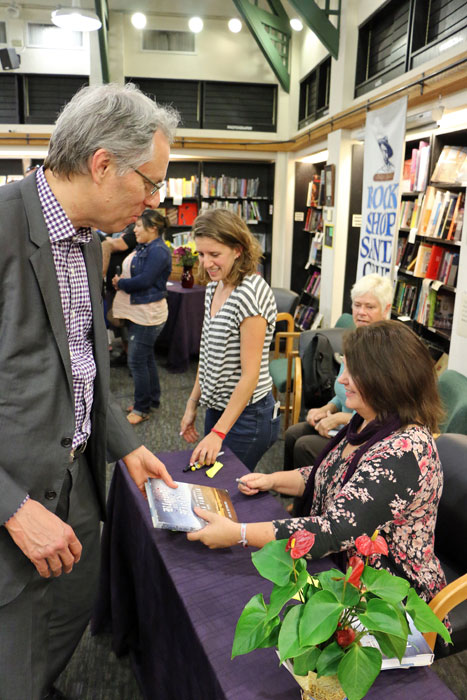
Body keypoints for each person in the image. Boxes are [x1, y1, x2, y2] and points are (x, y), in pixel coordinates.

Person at [0, 83, 179, 700]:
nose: (156, 200)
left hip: (79, 492)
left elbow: (83, 371)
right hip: (13, 505)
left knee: (60, 630)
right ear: (102, 164)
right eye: (149, 183)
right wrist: (11, 507)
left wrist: (126, 445)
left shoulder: (89, 242)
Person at [188, 321, 447, 603]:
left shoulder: (403, 452)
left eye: (353, 372)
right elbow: (331, 474)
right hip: (346, 568)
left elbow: (333, 531)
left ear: (386, 380)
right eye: (343, 368)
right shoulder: (371, 420)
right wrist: (272, 480)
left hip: (386, 594)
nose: (342, 380)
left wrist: (238, 534)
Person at [180, 208, 279, 471]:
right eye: (201, 254)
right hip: (219, 408)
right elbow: (207, 354)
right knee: (212, 484)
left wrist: (219, 433)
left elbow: (251, 375)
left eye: (215, 254)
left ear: (238, 250)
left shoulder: (250, 294)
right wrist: (193, 404)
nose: (206, 263)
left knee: (224, 490)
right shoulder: (215, 285)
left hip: (248, 417)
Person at [284, 273, 393, 470]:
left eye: (370, 307)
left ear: (385, 309)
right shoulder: (354, 340)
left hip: (369, 435)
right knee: (293, 434)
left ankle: (316, 498)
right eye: (357, 305)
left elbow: (387, 415)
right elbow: (342, 392)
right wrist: (327, 408)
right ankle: (293, 498)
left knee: (304, 446)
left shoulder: (388, 351)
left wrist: (342, 418)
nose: (361, 312)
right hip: (344, 425)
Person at [112, 208, 172, 424]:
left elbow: (145, 281)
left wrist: (121, 283)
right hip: (142, 312)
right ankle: (150, 400)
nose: (134, 229)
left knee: (137, 360)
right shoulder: (146, 247)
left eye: (138, 225)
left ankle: (141, 408)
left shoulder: (158, 251)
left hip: (149, 314)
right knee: (145, 358)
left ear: (153, 228)